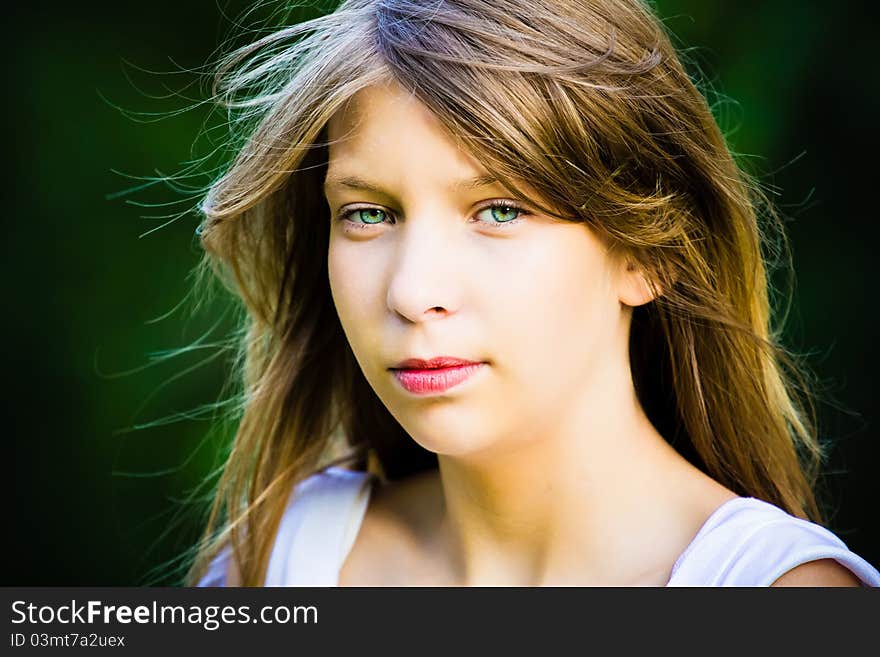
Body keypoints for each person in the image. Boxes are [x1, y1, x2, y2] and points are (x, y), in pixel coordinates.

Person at [185, 0, 879, 587]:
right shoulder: (279, 560)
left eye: (501, 210)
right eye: (369, 214)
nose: (412, 290)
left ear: (647, 251)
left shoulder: (776, 598)